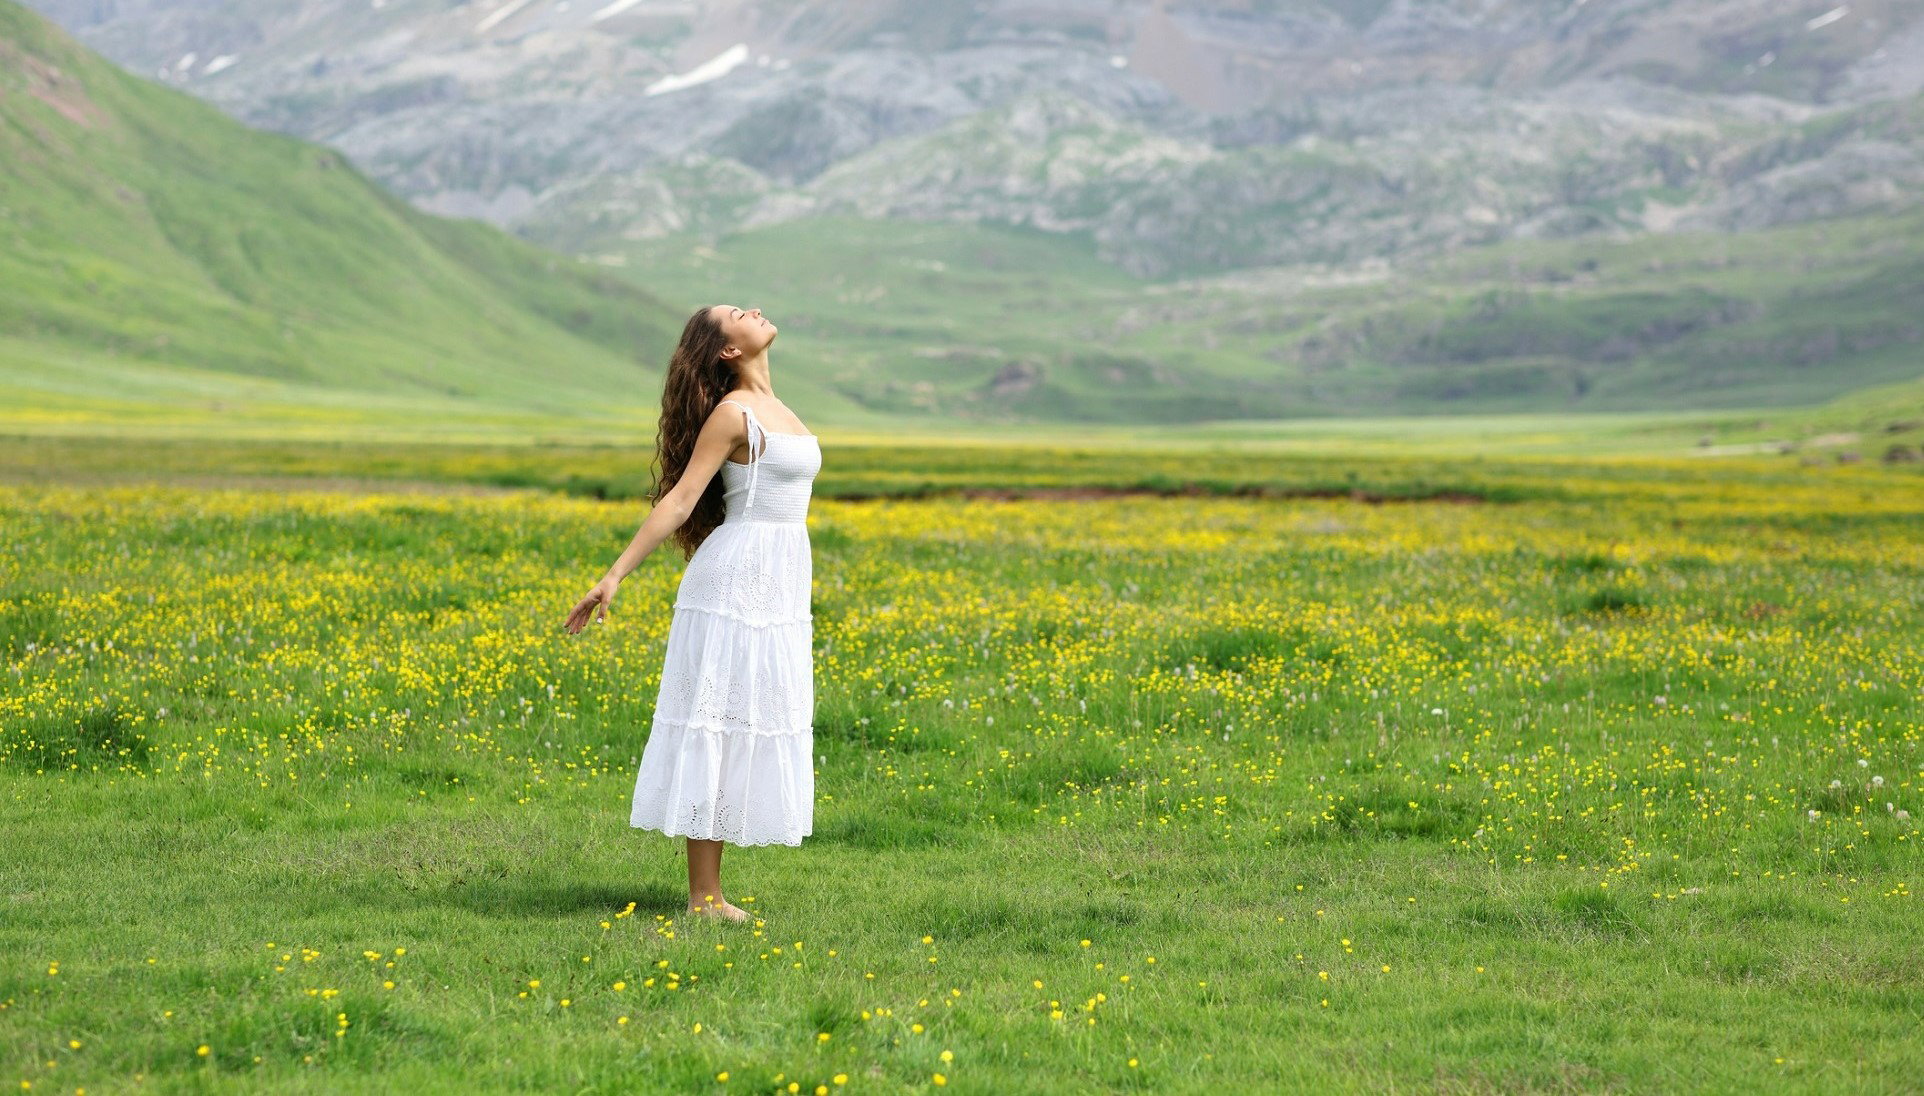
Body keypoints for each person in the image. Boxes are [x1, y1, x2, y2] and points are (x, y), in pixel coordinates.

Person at [565, 304, 821, 922]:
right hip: (733, 585)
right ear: (728, 350)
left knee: (749, 720)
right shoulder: (733, 414)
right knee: (718, 721)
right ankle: (704, 898)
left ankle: (711, 892)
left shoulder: (779, 408)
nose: (751, 310)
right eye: (736, 314)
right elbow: (680, 500)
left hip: (778, 586)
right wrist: (614, 575)